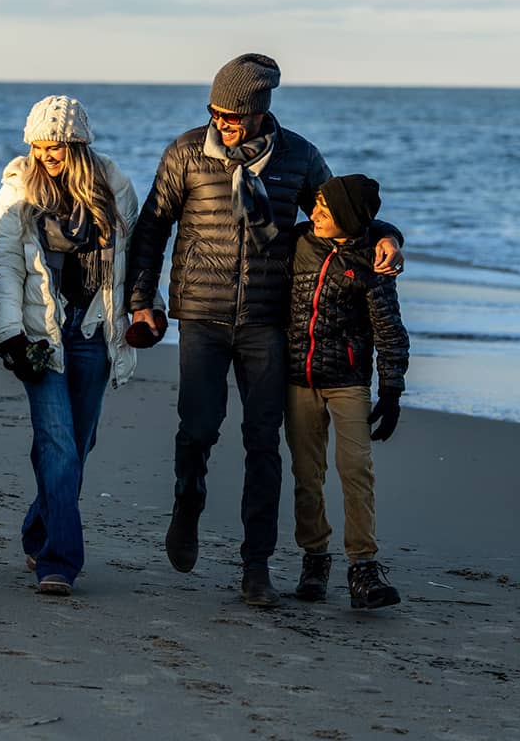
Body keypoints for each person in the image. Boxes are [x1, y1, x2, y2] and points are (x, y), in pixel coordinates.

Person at [126, 53, 402, 608]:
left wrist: (388, 235)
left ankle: (256, 567)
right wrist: (140, 302)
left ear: (258, 111)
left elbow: (342, 216)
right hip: (201, 316)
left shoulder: (299, 157)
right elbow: (152, 227)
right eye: (215, 111)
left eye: (232, 114)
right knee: (199, 431)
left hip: (268, 321)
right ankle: (189, 499)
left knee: (263, 444)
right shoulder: (185, 152)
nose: (222, 121)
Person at [0, 95, 156, 597]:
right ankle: (59, 560)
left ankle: (38, 529)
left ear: (78, 144)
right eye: (38, 145)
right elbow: (5, 266)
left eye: (56, 146)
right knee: (58, 443)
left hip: (94, 331)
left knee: (77, 445)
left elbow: (134, 259)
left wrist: (147, 307)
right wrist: (10, 335)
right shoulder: (19, 188)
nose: (46, 155)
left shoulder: (113, 188)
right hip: (41, 335)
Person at [284, 174, 409, 609]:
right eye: (315, 204)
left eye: (325, 208)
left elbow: (390, 330)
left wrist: (391, 390)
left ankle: (363, 569)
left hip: (348, 384)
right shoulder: (300, 243)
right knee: (307, 476)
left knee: (356, 471)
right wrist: (392, 234)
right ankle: (315, 557)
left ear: (350, 218)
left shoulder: (370, 266)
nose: (314, 213)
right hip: (298, 380)